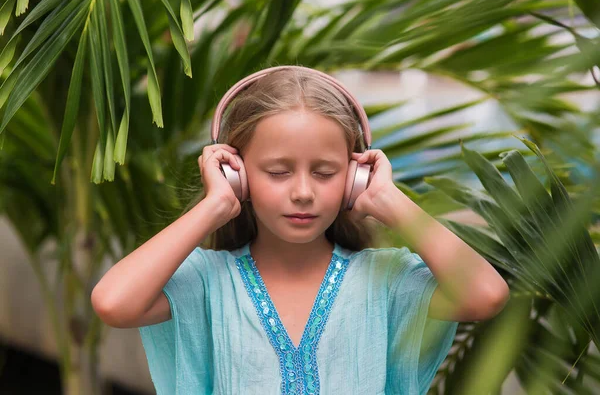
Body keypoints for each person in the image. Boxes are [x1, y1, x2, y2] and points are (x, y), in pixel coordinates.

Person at [91, 66, 510, 394]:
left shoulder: (385, 280)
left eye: (326, 173)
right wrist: (215, 204)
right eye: (278, 172)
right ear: (236, 174)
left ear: (353, 178)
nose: (304, 192)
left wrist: (389, 201)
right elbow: (113, 302)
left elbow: (485, 295)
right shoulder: (207, 281)